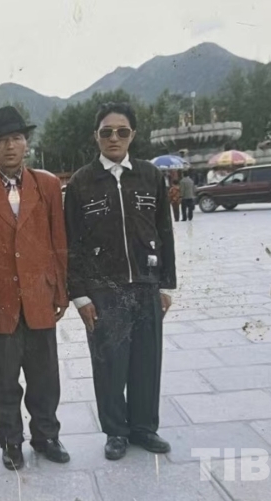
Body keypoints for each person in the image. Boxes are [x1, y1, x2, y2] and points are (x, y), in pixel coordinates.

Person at [64, 102, 177, 461]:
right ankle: (116, 432)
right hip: (104, 291)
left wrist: (165, 285)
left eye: (122, 131)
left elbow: (164, 231)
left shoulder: (150, 176)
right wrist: (80, 296)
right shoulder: (81, 182)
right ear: (96, 136)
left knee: (147, 361)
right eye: (107, 132)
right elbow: (72, 243)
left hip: (146, 285)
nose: (114, 138)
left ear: (133, 135)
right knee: (109, 364)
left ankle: (144, 427)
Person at [0, 106, 70, 471]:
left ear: (27, 143)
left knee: (45, 377)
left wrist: (61, 291)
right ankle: (11, 443)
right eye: (3, 140)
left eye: (17, 138)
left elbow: (58, 241)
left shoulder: (47, 185)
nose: (10, 146)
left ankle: (47, 436)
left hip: (40, 296)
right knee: (5, 381)